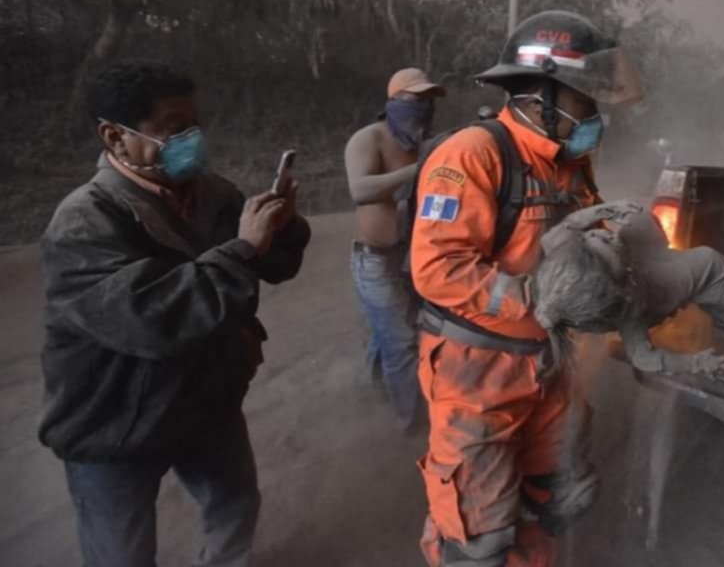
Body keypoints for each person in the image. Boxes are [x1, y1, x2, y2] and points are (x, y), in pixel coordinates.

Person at [39, 59, 311, 567]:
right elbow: (151, 318)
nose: (192, 139)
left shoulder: (212, 193)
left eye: (194, 125)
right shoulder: (83, 221)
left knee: (235, 508)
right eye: (173, 129)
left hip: (205, 401)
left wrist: (281, 228)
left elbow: (274, 265)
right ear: (114, 137)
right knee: (121, 553)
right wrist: (243, 250)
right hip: (115, 423)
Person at [409, 11, 644, 566]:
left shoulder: (569, 162)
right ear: (540, 92)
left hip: (550, 368)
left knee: (558, 498)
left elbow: (583, 236)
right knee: (480, 537)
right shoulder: (474, 155)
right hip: (479, 375)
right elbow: (437, 268)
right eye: (586, 102)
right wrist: (536, 302)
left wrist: (616, 260)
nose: (595, 118)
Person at [344, 68, 445, 430]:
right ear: (394, 101)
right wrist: (419, 170)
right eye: (415, 99)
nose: (423, 106)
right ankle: (412, 422)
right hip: (374, 261)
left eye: (429, 100)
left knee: (388, 330)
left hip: (414, 255)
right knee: (402, 341)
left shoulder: (427, 143)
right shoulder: (368, 139)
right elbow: (361, 190)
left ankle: (374, 385)